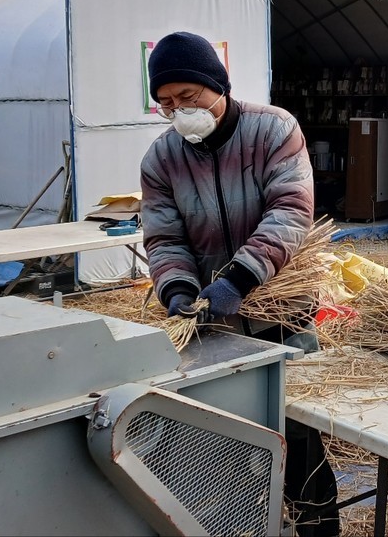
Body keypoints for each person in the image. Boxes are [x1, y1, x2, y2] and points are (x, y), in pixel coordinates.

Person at [139, 31, 339, 537]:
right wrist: (179, 293)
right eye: (166, 103)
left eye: (189, 97)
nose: (179, 110)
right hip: (213, 322)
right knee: (225, 431)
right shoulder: (161, 159)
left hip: (281, 308)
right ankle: (244, 523)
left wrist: (238, 279)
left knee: (297, 432)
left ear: (218, 85)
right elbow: (164, 238)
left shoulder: (273, 130)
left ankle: (317, 527)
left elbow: (290, 212)